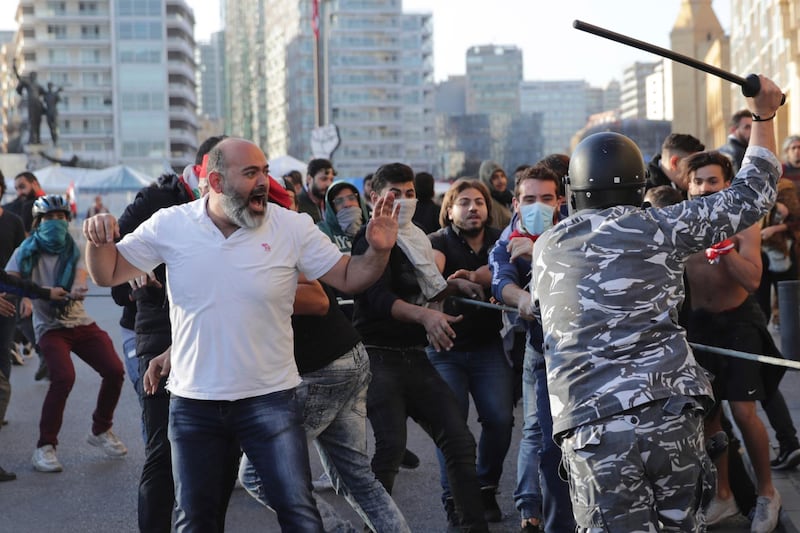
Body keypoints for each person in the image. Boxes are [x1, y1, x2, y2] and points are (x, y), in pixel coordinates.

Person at [82, 137, 399, 531]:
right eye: (251, 173)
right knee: (195, 519)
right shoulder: (172, 224)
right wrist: (97, 240)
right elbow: (108, 273)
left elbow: (351, 277)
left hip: (270, 400)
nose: (264, 181)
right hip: (194, 404)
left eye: (265, 171)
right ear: (215, 181)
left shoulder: (291, 226)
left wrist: (379, 251)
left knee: (299, 512)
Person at [529, 74, 784, 531]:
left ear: (573, 190)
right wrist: (763, 115)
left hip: (591, 429)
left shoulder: (548, 245)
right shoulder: (659, 227)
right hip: (669, 415)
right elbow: (754, 192)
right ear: (636, 183)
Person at [351, 162, 489, 532]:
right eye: (396, 193)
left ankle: (470, 525)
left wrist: (453, 286)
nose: (405, 200)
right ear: (375, 197)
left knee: (459, 441)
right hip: (377, 355)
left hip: (415, 357)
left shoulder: (415, 238)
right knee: (391, 449)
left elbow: (430, 286)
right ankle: (374, 528)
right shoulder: (369, 239)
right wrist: (427, 318)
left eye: (411, 193)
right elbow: (379, 299)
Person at [683, 150, 783, 531]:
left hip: (739, 322)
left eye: (713, 180)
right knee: (710, 416)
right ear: (688, 185)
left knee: (744, 412)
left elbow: (754, 281)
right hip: (700, 325)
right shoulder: (681, 221)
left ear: (727, 184)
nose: (705, 188)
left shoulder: (744, 221)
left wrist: (725, 252)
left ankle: (767, 493)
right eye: (698, 181)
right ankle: (723, 495)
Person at [5, 195, 127, 473]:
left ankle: (101, 429)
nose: (56, 223)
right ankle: (45, 447)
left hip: (79, 322)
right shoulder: (25, 250)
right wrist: (23, 296)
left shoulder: (74, 247)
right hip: (50, 327)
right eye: (50, 218)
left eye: (61, 217)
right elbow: (10, 281)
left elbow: (81, 276)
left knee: (114, 369)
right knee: (63, 377)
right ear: (38, 222)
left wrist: (78, 288)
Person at [489, 165, 574, 533]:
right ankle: (535, 510)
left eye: (545, 198)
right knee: (544, 438)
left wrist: (541, 248)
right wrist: (521, 297)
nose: (537, 206)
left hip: (587, 354)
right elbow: (500, 281)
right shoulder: (507, 240)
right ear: (515, 203)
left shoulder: (577, 228)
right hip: (542, 351)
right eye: (528, 199)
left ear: (560, 201)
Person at [427, 178, 512, 524]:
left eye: (479, 201)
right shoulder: (438, 241)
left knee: (500, 420)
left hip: (488, 347)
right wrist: (450, 282)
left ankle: (485, 487)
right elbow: (429, 276)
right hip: (445, 348)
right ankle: (455, 498)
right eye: (464, 202)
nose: (473, 207)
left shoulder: (500, 240)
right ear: (449, 209)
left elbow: (513, 272)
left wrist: (480, 277)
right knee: (452, 427)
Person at [317, 180, 370, 254]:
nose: (347, 204)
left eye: (351, 198)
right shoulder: (322, 232)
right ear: (332, 209)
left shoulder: (371, 231)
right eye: (339, 201)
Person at [13, 61, 45, 145]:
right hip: (32, 105)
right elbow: (19, 78)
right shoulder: (28, 83)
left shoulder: (38, 86)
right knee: (32, 121)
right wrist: (15, 68)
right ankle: (32, 139)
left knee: (38, 121)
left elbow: (46, 94)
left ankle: (37, 139)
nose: (33, 77)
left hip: (37, 105)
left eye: (34, 75)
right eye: (32, 75)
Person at [298, 158, 335, 223]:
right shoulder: (297, 205)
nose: (329, 184)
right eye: (324, 179)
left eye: (331, 180)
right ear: (309, 179)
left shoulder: (331, 203)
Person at [478, 160, 511, 230]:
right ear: (486, 180)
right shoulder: (488, 204)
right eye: (495, 177)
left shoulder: (508, 199)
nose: (501, 181)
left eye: (502, 176)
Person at [718, 109, 753, 175]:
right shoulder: (739, 153)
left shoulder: (719, 151)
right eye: (747, 127)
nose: (752, 131)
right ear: (733, 130)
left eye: (753, 127)